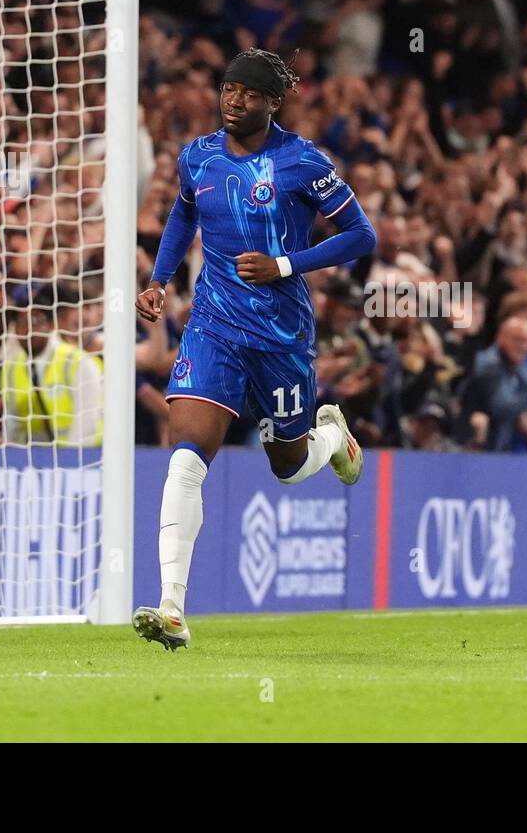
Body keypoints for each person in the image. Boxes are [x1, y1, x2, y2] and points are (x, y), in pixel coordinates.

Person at [132, 49, 377, 650]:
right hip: (213, 324)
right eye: (229, 88)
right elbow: (182, 217)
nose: (235, 100)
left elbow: (360, 234)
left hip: (282, 333)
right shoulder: (199, 156)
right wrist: (161, 281)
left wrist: (285, 264)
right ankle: (172, 609)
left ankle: (332, 439)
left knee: (288, 466)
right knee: (186, 452)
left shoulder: (302, 163)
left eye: (248, 92)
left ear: (273, 101)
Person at [0, 286, 104, 448]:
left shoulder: (77, 362)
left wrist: (69, 463)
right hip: (36, 462)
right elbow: (12, 425)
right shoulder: (11, 368)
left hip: (87, 458)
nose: (27, 329)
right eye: (20, 322)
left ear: (50, 325)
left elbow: (87, 420)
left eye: (35, 322)